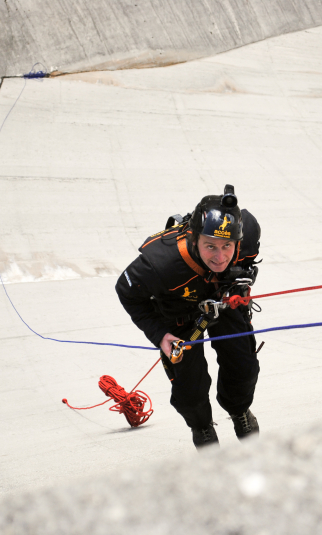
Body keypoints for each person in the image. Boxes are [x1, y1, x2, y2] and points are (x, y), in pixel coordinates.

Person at [115, 185, 261, 449]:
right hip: (179, 316)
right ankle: (202, 426)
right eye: (210, 246)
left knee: (243, 366)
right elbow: (126, 292)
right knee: (188, 390)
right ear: (194, 239)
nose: (220, 257)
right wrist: (159, 335)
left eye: (227, 246)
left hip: (223, 300)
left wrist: (241, 281)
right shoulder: (158, 264)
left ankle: (239, 409)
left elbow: (248, 262)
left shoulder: (247, 230)